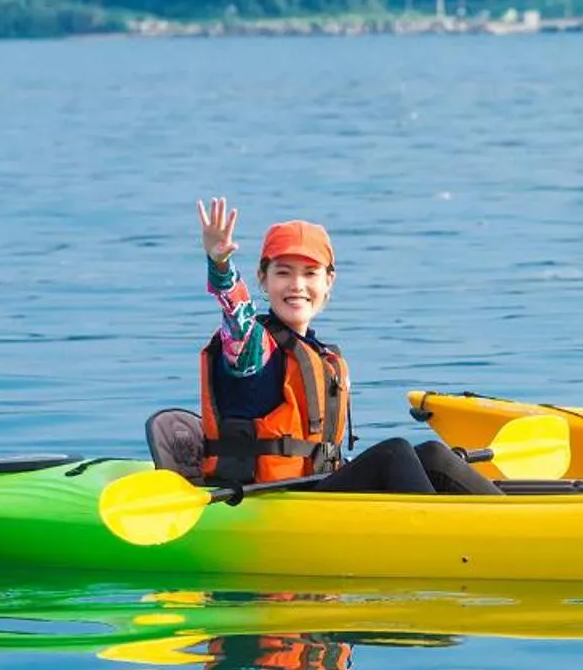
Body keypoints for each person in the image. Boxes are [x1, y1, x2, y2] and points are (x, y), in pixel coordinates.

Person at [195, 199, 498, 494]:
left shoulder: (317, 352)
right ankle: (437, 525)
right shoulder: (254, 349)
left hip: (316, 487)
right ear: (263, 279)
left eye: (310, 273)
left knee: (432, 454)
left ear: (329, 281)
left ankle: (505, 514)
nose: (297, 285)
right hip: (272, 499)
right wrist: (221, 267)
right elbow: (238, 319)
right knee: (393, 453)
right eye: (283, 272)